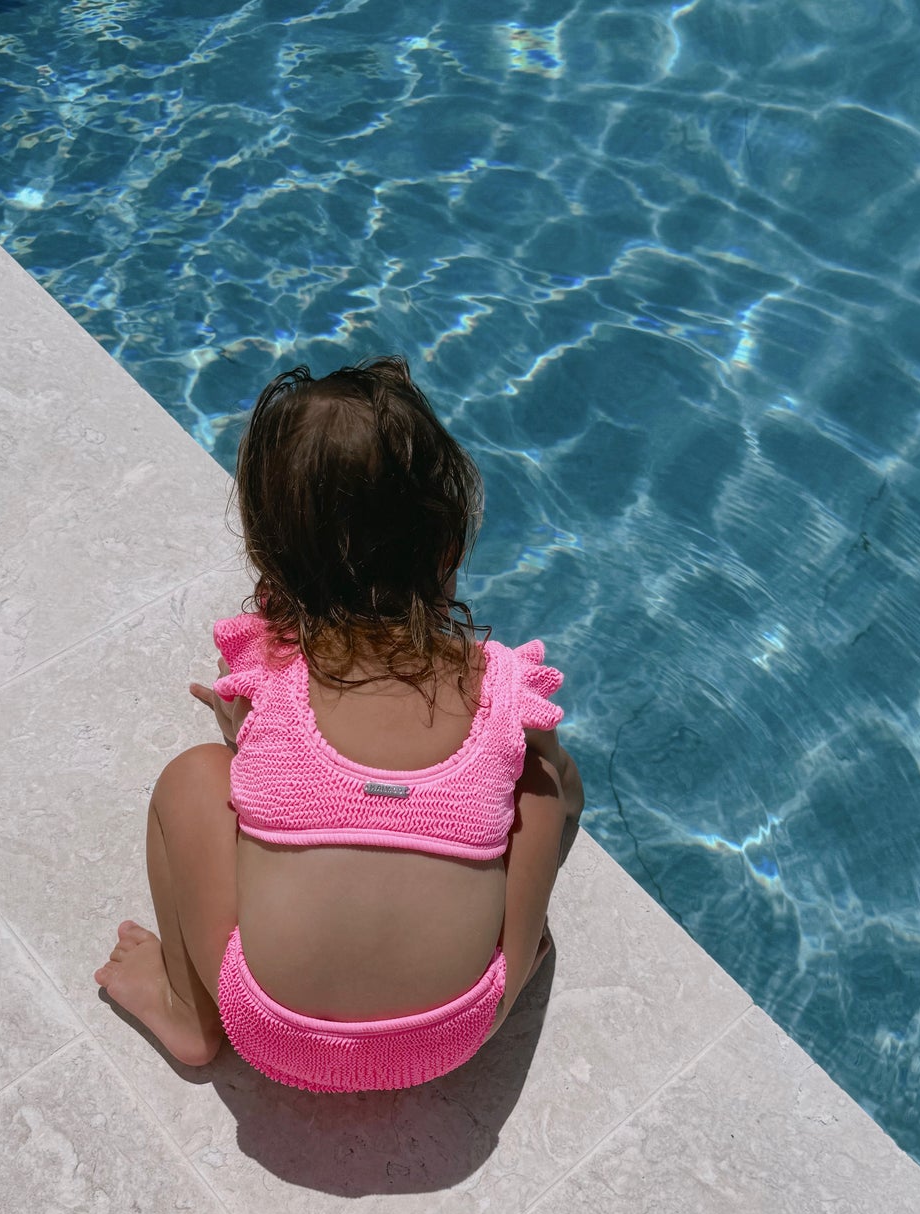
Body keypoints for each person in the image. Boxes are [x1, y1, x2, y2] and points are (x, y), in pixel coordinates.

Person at [94, 355, 584, 1091]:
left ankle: (187, 1013)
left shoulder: (270, 672)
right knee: (544, 779)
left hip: (268, 1030)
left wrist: (248, 738)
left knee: (193, 776)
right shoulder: (499, 689)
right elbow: (568, 803)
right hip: (453, 1035)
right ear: (448, 549)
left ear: (269, 562)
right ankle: (513, 965)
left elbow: (275, 780)